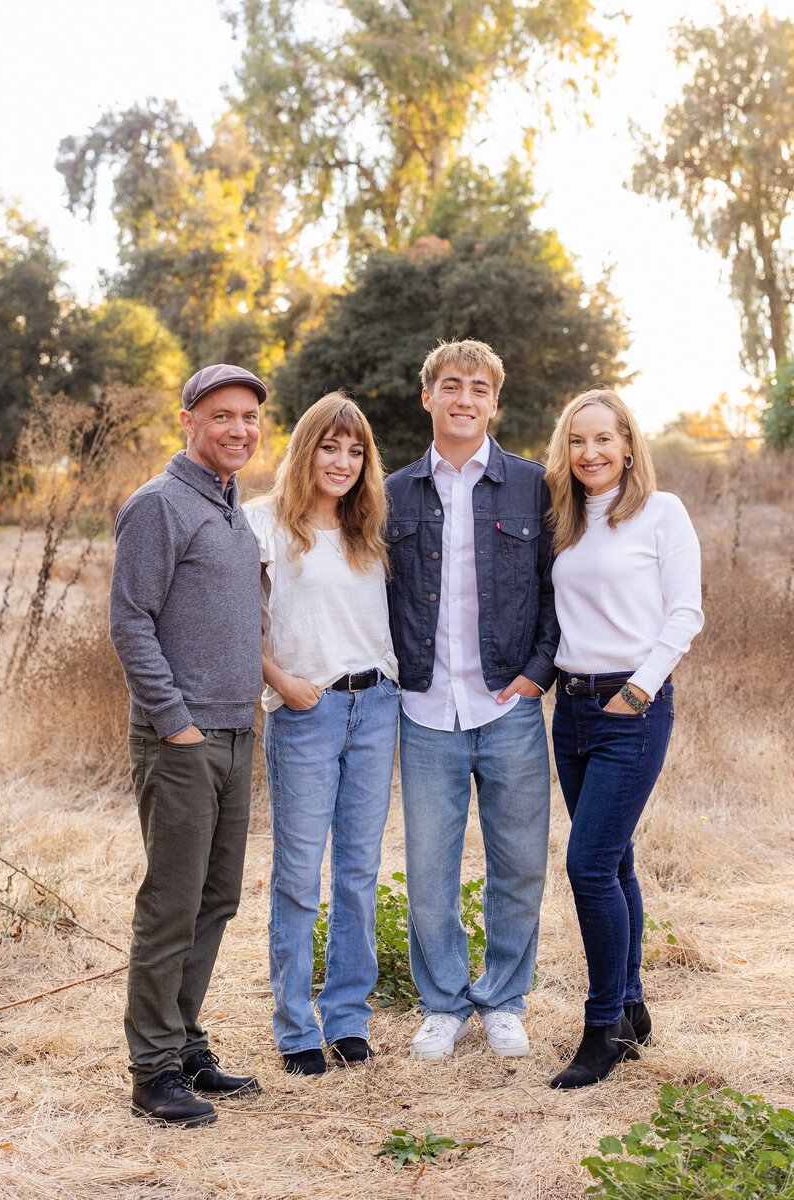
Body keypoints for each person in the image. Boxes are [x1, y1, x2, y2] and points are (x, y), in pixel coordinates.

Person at [385, 339, 559, 1061]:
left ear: (495, 402)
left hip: (508, 707)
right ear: (427, 396)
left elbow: (560, 586)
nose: (464, 399)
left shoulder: (534, 486)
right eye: (450, 385)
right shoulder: (390, 493)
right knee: (430, 869)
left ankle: (505, 999)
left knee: (519, 863)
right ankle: (444, 1004)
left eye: (478, 389)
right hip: (426, 709)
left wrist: (538, 673)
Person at [110, 363, 268, 1128]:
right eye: (223, 416)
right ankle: (151, 1072)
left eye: (249, 417)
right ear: (188, 421)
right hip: (182, 741)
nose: (239, 429)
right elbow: (130, 621)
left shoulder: (234, 510)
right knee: (171, 904)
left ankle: (184, 1044)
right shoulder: (159, 505)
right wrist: (176, 721)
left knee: (217, 898)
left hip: (238, 733)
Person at [544, 387, 704, 1090]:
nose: (590, 453)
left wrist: (636, 691)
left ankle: (601, 1025)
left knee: (587, 867)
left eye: (604, 439)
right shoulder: (566, 519)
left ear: (629, 445)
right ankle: (633, 1010)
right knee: (616, 865)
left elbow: (686, 612)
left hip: (630, 709)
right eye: (577, 441)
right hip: (570, 706)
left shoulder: (660, 513)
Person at [244, 392, 399, 1077]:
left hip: (378, 709)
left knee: (359, 874)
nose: (341, 461)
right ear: (305, 450)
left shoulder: (371, 532)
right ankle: (295, 1026)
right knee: (300, 878)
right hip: (306, 713)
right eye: (329, 447)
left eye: (355, 450)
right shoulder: (262, 526)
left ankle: (347, 1016)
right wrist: (278, 680)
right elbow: (234, 626)